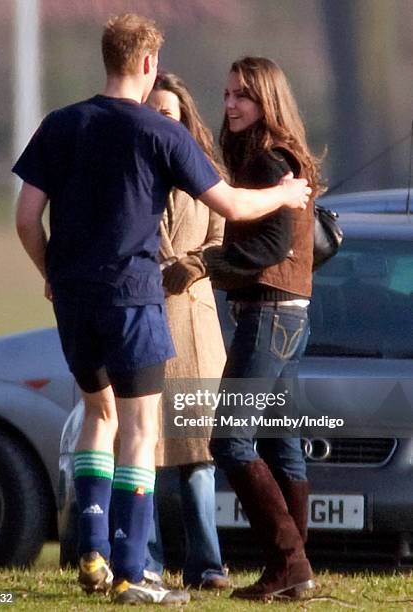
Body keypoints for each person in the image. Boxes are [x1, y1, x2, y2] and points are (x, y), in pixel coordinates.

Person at [13, 12, 311, 605]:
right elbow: (228, 203)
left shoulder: (59, 124)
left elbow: (25, 218)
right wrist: (283, 193)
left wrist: (53, 275)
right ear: (149, 65)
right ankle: (130, 570)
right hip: (133, 299)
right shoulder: (158, 131)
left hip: (74, 302)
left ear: (108, 59)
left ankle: (92, 553)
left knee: (99, 417)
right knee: (141, 431)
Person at [207, 56, 325, 601]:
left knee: (229, 440)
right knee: (283, 443)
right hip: (292, 314)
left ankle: (289, 565)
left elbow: (270, 246)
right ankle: (292, 573)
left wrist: (210, 264)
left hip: (269, 314)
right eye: (229, 94)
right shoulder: (287, 156)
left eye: (243, 97)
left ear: (267, 102)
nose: (231, 105)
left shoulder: (267, 160)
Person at [145, 72, 229, 589]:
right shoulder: (130, 174)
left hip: (196, 334)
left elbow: (226, 238)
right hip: (147, 324)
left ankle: (207, 564)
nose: (159, 121)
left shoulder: (207, 174)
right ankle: (146, 560)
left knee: (198, 457)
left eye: (168, 114)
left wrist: (195, 263)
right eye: (151, 113)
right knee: (142, 456)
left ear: (185, 120)